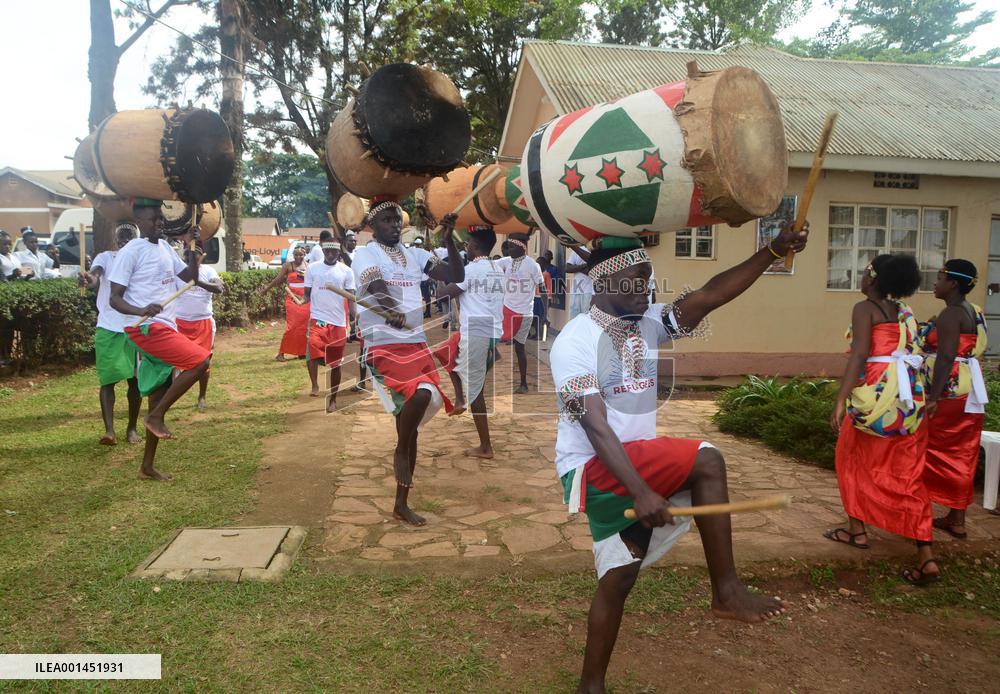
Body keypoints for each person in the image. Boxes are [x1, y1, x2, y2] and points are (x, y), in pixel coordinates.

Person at [551, 227, 806, 694]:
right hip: (595, 469)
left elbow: (710, 295)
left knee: (617, 580)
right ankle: (726, 592)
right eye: (636, 279)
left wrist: (771, 251)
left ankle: (591, 686)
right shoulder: (574, 341)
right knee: (707, 459)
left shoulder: (648, 323)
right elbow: (595, 426)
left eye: (650, 279)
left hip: (632, 466)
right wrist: (642, 490)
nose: (647, 289)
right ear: (605, 282)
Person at [826, 254, 938, 585]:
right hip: (906, 399)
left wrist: (840, 398)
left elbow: (860, 353)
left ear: (873, 279)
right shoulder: (904, 313)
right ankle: (926, 556)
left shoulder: (865, 309)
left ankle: (857, 530)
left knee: (850, 458)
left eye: (863, 273)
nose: (860, 278)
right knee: (908, 474)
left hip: (876, 394)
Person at [352, 196, 462, 525]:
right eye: (386, 220)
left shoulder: (415, 255)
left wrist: (448, 241)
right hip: (383, 344)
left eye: (397, 219)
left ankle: (401, 502)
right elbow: (375, 286)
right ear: (372, 225)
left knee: (414, 415)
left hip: (414, 342)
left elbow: (455, 273)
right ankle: (401, 448)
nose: (394, 224)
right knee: (423, 395)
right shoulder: (364, 253)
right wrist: (392, 309)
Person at [108, 198, 211, 481]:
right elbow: (114, 298)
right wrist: (141, 309)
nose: (159, 222)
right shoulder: (132, 250)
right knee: (200, 360)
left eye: (161, 218)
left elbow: (189, 278)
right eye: (154, 218)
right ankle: (156, 417)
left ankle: (147, 466)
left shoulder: (165, 247)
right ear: (140, 222)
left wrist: (193, 253)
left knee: (159, 390)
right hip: (145, 326)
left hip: (166, 325)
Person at [921, 260, 988, 540]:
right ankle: (957, 518)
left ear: (954, 284)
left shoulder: (951, 313)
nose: (935, 283)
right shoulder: (973, 311)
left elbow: (947, 356)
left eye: (940, 278)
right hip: (969, 392)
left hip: (948, 392)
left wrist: (934, 397)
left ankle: (920, 513)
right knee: (963, 452)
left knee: (933, 450)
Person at [433, 226, 505, 457]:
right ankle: (461, 398)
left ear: (474, 247)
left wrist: (439, 278)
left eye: (468, 244)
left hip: (476, 332)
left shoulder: (470, 271)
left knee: (477, 392)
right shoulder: (497, 268)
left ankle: (486, 447)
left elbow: (443, 295)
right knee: (445, 353)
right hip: (490, 330)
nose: (466, 247)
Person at [79, 222, 142, 445]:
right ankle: (110, 431)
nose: (125, 241)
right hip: (108, 326)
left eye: (130, 237)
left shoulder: (140, 259)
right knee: (107, 380)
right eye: (121, 237)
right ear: (116, 241)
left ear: (137, 240)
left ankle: (132, 428)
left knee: (135, 382)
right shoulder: (106, 258)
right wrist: (90, 279)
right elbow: (96, 275)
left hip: (134, 326)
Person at [173, 230, 224, 412]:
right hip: (179, 323)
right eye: (187, 253)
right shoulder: (178, 272)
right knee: (174, 363)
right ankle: (171, 395)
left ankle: (202, 396)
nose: (190, 256)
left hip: (203, 324)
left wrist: (198, 282)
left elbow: (219, 288)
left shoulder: (209, 271)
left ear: (201, 255)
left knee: (204, 362)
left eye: (194, 253)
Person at [303, 240, 356, 412]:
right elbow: (307, 294)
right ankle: (315, 384)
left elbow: (351, 296)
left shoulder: (346, 271)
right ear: (323, 251)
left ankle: (333, 399)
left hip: (338, 323)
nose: (330, 255)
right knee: (312, 350)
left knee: (336, 364)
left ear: (339, 253)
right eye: (327, 252)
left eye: (334, 252)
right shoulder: (312, 268)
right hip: (318, 319)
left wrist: (354, 317)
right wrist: (301, 301)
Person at [497, 233, 546, 394]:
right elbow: (487, 265)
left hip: (524, 313)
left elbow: (543, 289)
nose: (508, 250)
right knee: (493, 338)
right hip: (506, 309)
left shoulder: (533, 265)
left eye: (511, 246)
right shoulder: (506, 262)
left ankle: (523, 383)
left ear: (522, 247)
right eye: (508, 246)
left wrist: (544, 315)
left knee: (520, 348)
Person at [259, 245, 310, 361]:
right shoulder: (288, 265)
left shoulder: (308, 266)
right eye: (296, 254)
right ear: (293, 255)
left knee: (303, 327)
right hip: (292, 299)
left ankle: (301, 352)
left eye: (301, 254)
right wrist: (266, 289)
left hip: (305, 300)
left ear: (305, 255)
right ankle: (281, 353)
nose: (298, 257)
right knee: (292, 326)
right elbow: (277, 279)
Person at [566, 244, 593, 319]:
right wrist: (584, 266)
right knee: (574, 320)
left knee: (587, 320)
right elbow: (567, 268)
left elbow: (591, 271)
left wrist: (576, 267)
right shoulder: (578, 250)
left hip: (589, 291)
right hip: (575, 291)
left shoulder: (594, 249)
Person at [530, 256, 553, 340]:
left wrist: (549, 299)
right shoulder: (536, 274)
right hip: (535, 298)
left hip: (542, 299)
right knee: (536, 317)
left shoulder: (546, 274)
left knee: (543, 317)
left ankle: (542, 335)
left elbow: (549, 287)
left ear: (544, 265)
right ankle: (537, 334)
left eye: (539, 263)